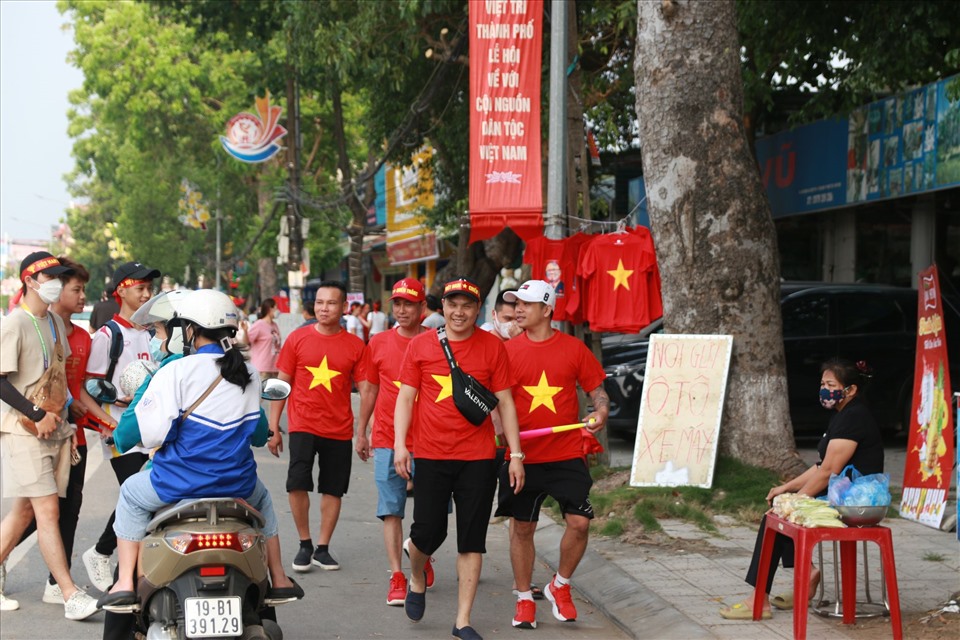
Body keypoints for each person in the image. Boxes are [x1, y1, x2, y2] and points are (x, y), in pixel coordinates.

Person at [97, 289, 302, 608]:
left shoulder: (174, 371)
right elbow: (258, 434)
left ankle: (124, 582)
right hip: (238, 485)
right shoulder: (248, 373)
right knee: (264, 501)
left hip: (176, 484)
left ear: (189, 330)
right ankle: (278, 577)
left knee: (130, 495)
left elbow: (151, 435)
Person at [394, 275, 525, 640]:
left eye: (467, 305)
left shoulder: (493, 348)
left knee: (471, 538)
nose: (459, 312)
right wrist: (401, 445)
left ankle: (463, 620)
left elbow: (507, 403)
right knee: (427, 533)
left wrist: (515, 455)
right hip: (432, 455)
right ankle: (417, 574)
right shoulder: (420, 346)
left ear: (477, 308)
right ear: (443, 308)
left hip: (479, 458)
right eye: (452, 304)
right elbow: (406, 398)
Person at [719, 358, 884, 620]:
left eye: (831, 384)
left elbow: (829, 471)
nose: (824, 389)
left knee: (777, 516)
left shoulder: (854, 418)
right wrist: (787, 489)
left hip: (858, 503)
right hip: (844, 495)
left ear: (850, 389)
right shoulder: (844, 416)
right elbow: (820, 467)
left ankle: (760, 598)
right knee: (780, 508)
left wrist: (797, 500)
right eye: (823, 384)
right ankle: (806, 574)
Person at [495, 280, 610, 629]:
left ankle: (560, 585)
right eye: (516, 304)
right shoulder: (506, 351)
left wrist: (600, 413)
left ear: (547, 310)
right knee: (523, 528)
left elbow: (597, 392)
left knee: (579, 522)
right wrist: (498, 426)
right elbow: (496, 401)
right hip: (521, 455)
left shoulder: (574, 349)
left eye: (527, 304)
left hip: (566, 453)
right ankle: (524, 598)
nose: (518, 309)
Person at [0, 251, 100, 619]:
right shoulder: (14, 325)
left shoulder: (55, 325)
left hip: (54, 431)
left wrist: (66, 416)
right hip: (23, 431)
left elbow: (57, 376)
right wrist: (36, 414)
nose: (56, 283)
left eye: (60, 276)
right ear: (29, 282)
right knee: (48, 510)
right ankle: (68, 592)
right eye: (50, 278)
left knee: (25, 511)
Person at [267, 281, 365, 572]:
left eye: (331, 303)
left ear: (343, 307)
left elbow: (368, 389)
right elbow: (281, 383)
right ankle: (304, 542)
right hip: (302, 424)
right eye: (320, 302)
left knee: (333, 489)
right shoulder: (297, 339)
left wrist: (364, 432)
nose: (324, 308)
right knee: (297, 482)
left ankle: (323, 548)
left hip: (339, 428)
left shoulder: (355, 346)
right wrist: (274, 426)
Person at [355, 278, 435, 606]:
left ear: (421, 308)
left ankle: (421, 554)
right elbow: (370, 389)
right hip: (388, 438)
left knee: (432, 512)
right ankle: (397, 575)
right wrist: (362, 431)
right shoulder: (378, 343)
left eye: (409, 304)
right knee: (391, 510)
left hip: (431, 441)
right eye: (397, 304)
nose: (402, 310)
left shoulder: (436, 342)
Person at [82, 260, 160, 593]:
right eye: (140, 287)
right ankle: (102, 554)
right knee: (138, 497)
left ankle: (131, 574)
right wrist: (111, 416)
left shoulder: (154, 334)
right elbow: (91, 385)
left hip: (153, 430)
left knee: (149, 498)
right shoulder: (108, 336)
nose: (146, 293)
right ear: (121, 291)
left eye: (149, 288)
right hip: (120, 431)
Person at [247, 299, 281, 380]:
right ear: (270, 309)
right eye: (276, 308)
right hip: (262, 369)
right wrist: (244, 331)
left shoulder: (274, 325)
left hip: (275, 368)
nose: (277, 310)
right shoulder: (259, 324)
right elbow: (248, 340)